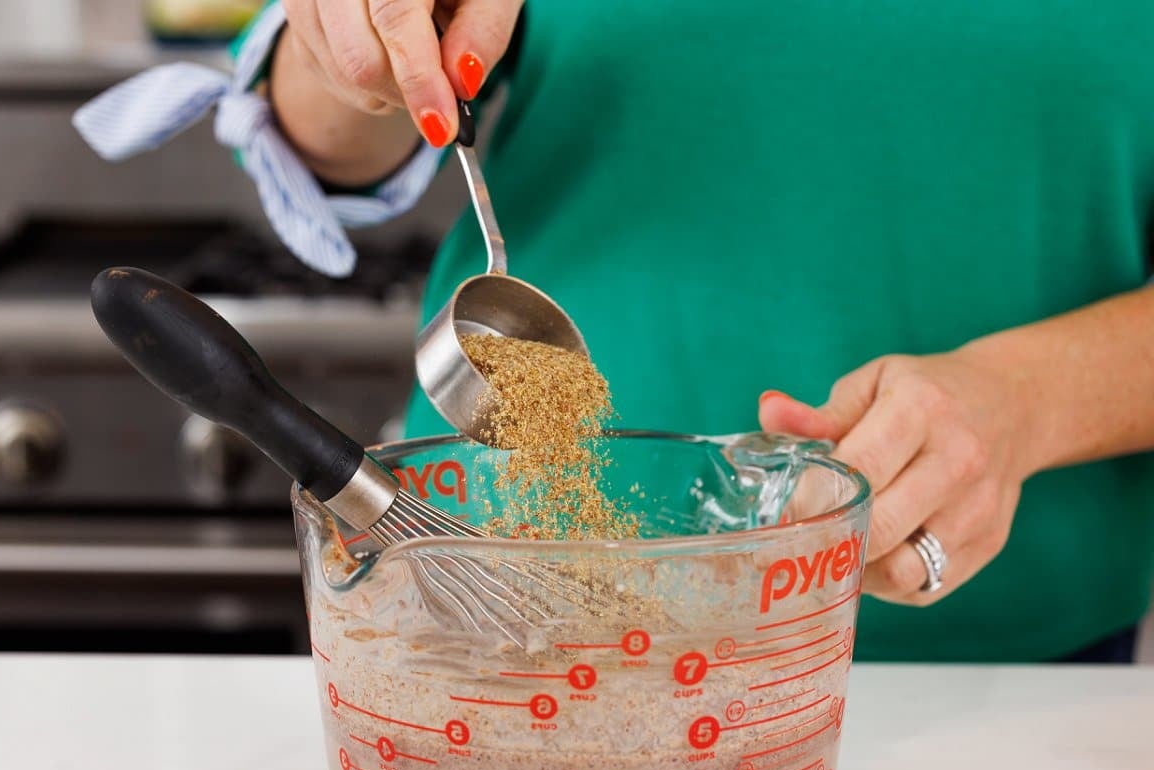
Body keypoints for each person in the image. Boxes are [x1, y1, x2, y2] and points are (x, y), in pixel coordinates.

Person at [75, 0, 1154, 664]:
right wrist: (355, 49)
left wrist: (1028, 398)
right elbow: (328, 120)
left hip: (1001, 669)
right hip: (497, 592)